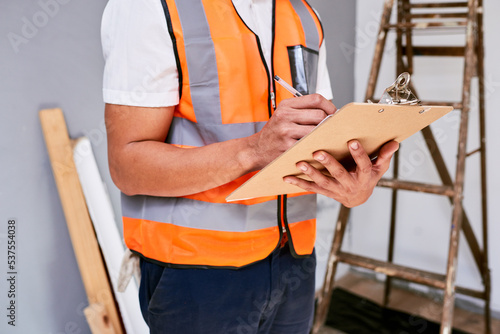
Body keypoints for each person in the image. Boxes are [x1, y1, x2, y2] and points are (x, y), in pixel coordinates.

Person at [101, 0, 399, 333]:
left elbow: (312, 140)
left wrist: (351, 185)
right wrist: (252, 150)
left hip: (293, 263)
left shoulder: (303, 15)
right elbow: (127, 167)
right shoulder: (151, 7)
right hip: (196, 273)